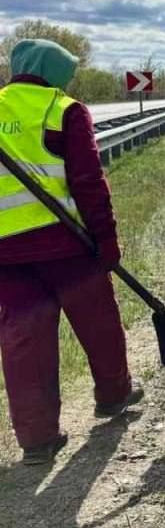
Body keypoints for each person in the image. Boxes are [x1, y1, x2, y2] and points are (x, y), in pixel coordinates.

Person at [0, 39, 142, 466]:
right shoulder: (63, 110)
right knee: (99, 324)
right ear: (53, 71)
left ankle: (37, 439)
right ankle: (113, 395)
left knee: (24, 343)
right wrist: (107, 242)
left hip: (7, 255)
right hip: (67, 246)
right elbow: (88, 183)